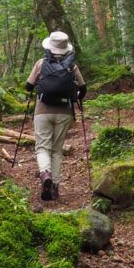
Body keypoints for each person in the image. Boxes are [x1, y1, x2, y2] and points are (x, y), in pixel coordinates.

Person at [25, 31, 87, 201]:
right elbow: (83, 89)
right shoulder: (72, 66)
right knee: (57, 150)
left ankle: (45, 175)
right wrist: (77, 96)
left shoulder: (41, 63)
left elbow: (28, 87)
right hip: (64, 113)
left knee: (42, 147)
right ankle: (55, 188)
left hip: (42, 111)